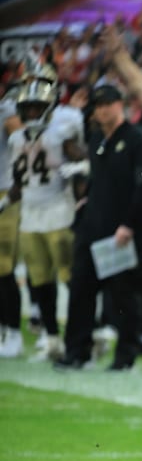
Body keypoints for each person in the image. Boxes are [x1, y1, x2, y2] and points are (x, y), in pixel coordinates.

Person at [55, 84, 142, 371]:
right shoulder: (97, 139)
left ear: (120, 104)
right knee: (81, 289)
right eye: (97, 106)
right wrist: (86, 199)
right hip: (92, 225)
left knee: (123, 295)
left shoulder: (138, 139)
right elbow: (98, 178)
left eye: (107, 104)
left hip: (120, 231)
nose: (102, 110)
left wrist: (129, 224)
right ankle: (76, 351)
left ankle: (125, 356)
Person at [8, 77, 84, 361]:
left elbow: (84, 159)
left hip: (58, 213)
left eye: (37, 107)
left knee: (68, 276)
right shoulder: (17, 138)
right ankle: (52, 338)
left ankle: (80, 335)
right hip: (29, 215)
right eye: (27, 108)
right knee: (39, 281)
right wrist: (4, 202)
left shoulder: (58, 134)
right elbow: (20, 181)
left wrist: (77, 171)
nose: (31, 113)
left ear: (50, 106)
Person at [0, 95, 21, 357]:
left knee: (4, 267)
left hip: (5, 191)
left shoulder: (7, 109)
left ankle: (13, 331)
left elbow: (22, 144)